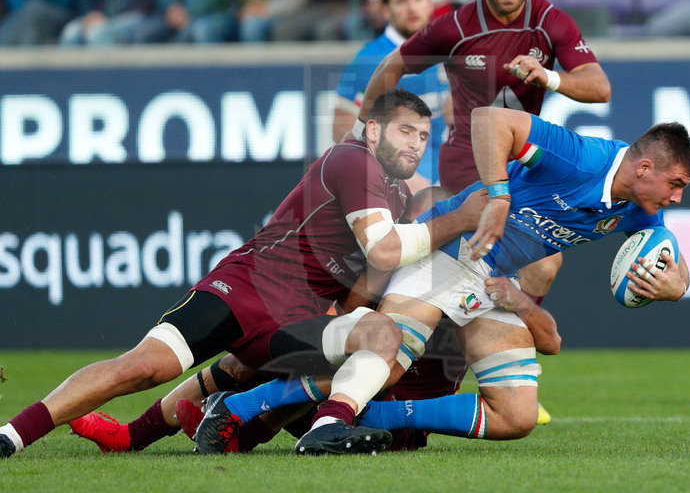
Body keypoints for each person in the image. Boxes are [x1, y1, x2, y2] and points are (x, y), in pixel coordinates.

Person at [0, 88, 485, 459]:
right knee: (144, 367)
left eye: (424, 136)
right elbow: (383, 250)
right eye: (406, 131)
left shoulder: (398, 199)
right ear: (374, 130)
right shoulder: (352, 159)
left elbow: (373, 276)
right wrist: (460, 220)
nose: (417, 144)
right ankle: (13, 436)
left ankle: (268, 427)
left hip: (295, 319)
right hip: (247, 287)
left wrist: (348, 310)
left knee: (370, 336)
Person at [197, 106, 690, 455]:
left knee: (516, 415)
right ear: (645, 166)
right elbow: (490, 120)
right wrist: (499, 196)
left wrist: (678, 288)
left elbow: (671, 261)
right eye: (675, 184)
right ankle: (258, 410)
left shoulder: (639, 208)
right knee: (388, 359)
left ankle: (365, 420)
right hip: (451, 249)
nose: (676, 198)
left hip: (492, 281)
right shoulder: (581, 157)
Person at [354, 0, 611, 326]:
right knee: (454, 261)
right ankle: (362, 323)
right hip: (467, 163)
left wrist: (549, 77)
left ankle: (503, 336)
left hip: (520, 165)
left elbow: (600, 87)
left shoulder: (550, 22)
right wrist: (362, 135)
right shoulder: (456, 26)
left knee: (542, 266)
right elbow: (393, 65)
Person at [333, 0, 450, 193]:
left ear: (430, 4)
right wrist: (402, 178)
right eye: (402, 1)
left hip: (450, 178)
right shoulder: (368, 60)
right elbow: (342, 130)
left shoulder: (447, 50)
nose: (412, 8)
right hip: (404, 191)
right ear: (386, 10)